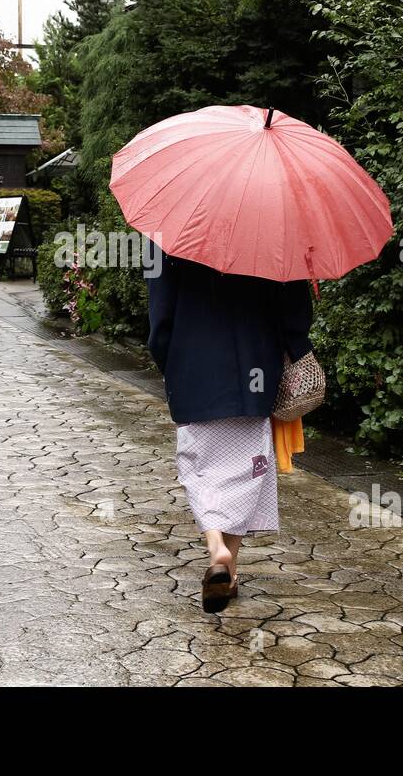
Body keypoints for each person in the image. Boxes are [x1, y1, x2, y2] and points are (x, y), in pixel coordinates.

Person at [146, 245, 314, 613]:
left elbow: (160, 318)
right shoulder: (273, 223)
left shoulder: (168, 233)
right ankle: (230, 567)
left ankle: (216, 548)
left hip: (192, 369)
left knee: (199, 468)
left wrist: (171, 363)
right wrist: (296, 345)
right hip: (255, 368)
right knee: (247, 470)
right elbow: (295, 311)